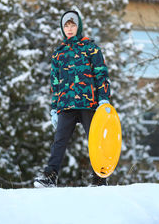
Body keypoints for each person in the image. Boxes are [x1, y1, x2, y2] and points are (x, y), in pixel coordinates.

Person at [34, 10, 110, 187]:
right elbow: (55, 83)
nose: (69, 29)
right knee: (59, 141)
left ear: (79, 26)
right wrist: (54, 107)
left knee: (95, 140)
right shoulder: (58, 53)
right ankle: (50, 177)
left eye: (72, 25)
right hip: (66, 105)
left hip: (88, 104)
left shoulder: (91, 48)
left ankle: (100, 179)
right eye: (66, 25)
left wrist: (104, 99)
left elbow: (101, 74)